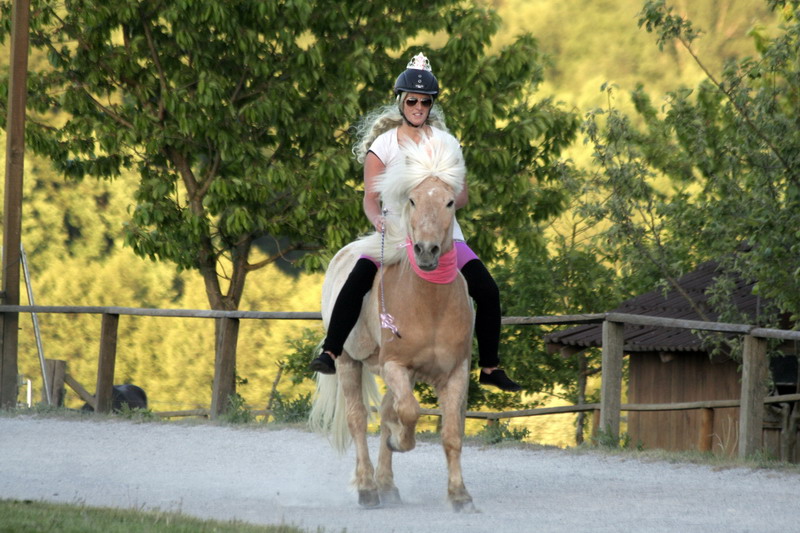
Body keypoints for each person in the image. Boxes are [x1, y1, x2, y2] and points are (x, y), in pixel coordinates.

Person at [309, 53, 522, 392]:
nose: (419, 107)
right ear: (401, 102)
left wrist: (438, 199)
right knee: (357, 278)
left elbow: (462, 196)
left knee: (488, 290)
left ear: (431, 104)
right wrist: (377, 220)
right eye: (412, 101)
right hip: (396, 231)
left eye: (426, 101)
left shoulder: (446, 144)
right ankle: (331, 350)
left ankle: (490, 367)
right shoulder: (383, 145)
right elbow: (370, 199)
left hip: (443, 233)